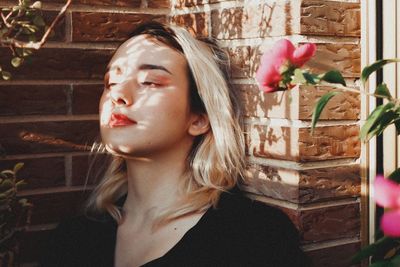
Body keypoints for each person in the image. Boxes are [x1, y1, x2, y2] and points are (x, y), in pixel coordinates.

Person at [41, 22, 310, 267]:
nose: (118, 95)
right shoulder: (73, 239)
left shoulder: (253, 237)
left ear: (199, 118)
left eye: (150, 82)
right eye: (111, 82)